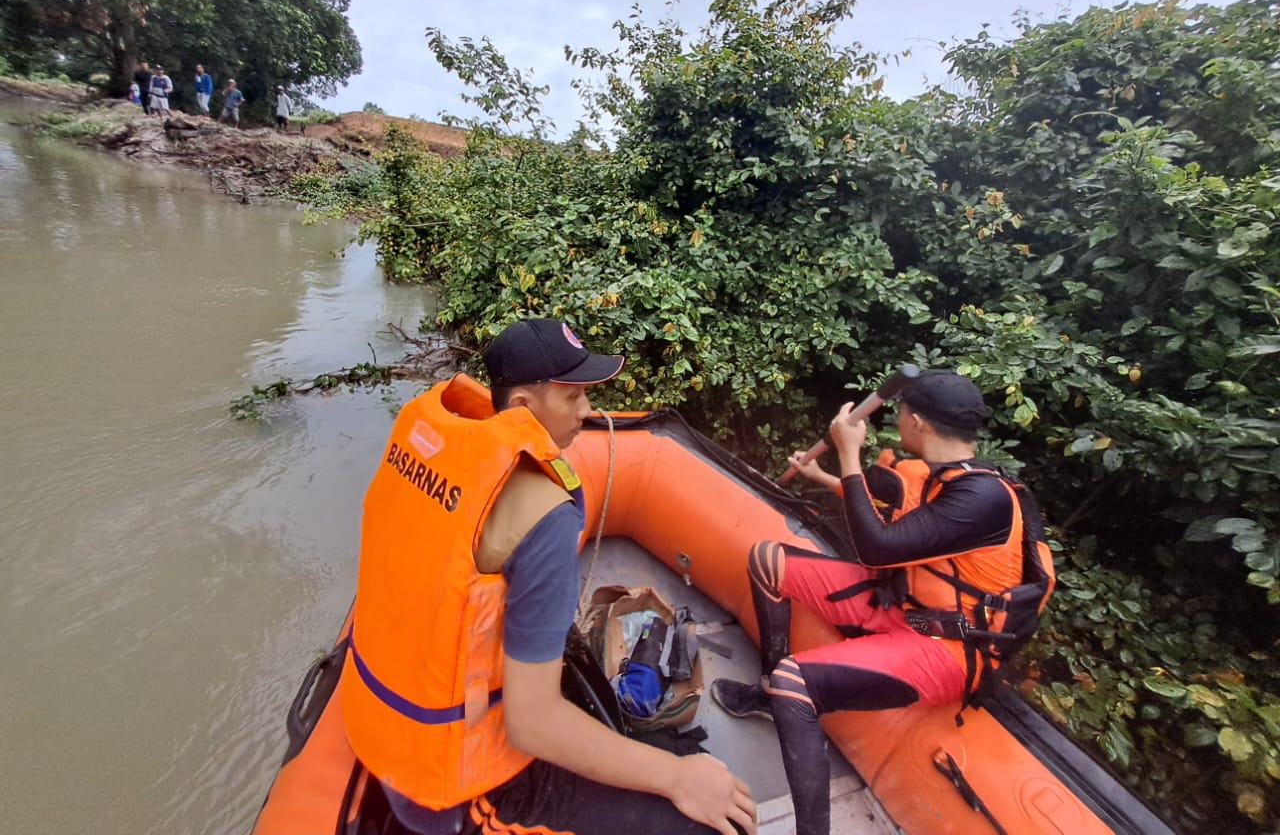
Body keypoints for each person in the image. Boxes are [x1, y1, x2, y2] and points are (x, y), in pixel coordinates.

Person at [341, 318, 757, 835]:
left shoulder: (434, 449)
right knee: (717, 824)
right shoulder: (544, 512)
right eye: (573, 397)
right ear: (521, 408)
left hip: (378, 725)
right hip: (453, 786)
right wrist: (678, 778)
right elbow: (532, 723)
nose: (587, 411)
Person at [710, 370, 1053, 835]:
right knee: (768, 560)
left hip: (946, 649)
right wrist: (825, 475)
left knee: (799, 682)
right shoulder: (946, 477)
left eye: (901, 413)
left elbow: (878, 547)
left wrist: (849, 451)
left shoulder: (983, 497)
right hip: (901, 606)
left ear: (918, 423)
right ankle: (769, 690)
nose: (897, 420)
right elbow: (894, 518)